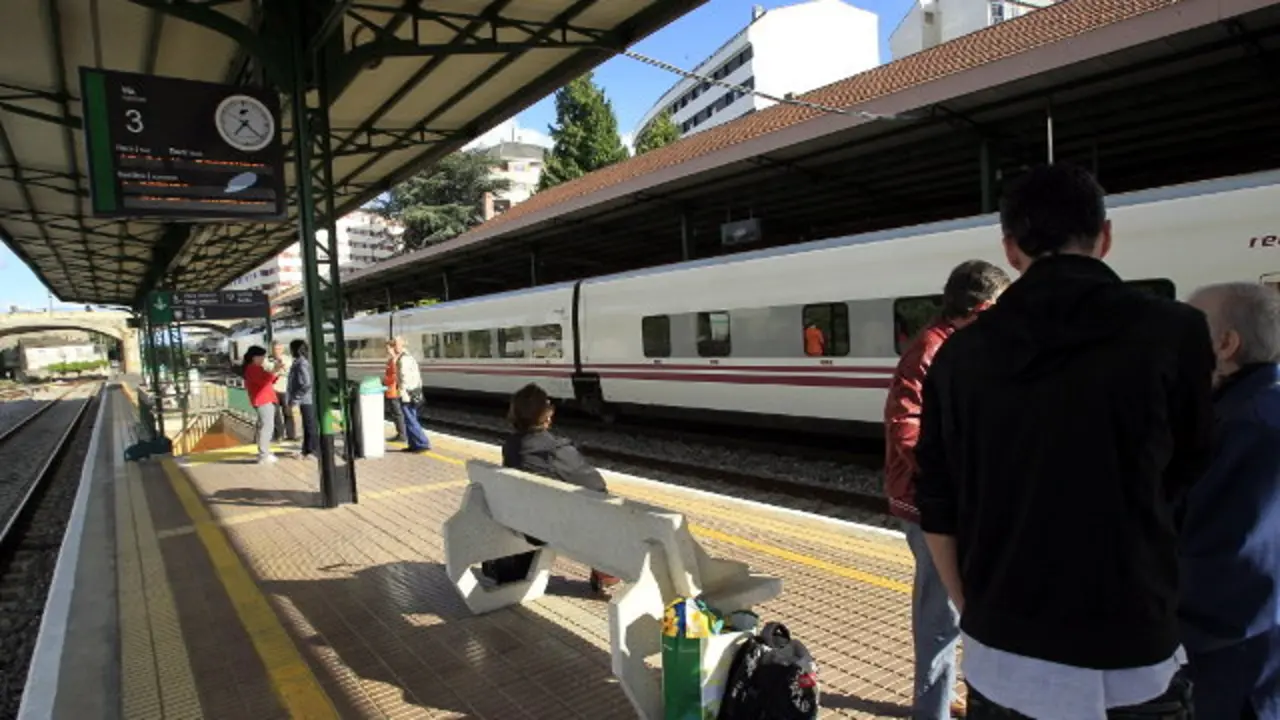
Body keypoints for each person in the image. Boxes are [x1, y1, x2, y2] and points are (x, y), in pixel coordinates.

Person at [914, 163, 1215, 718]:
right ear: (1105, 235)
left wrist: (972, 608)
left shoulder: (957, 356)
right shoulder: (1176, 332)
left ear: (1010, 249)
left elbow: (936, 501)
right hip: (1136, 645)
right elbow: (1193, 473)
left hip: (1002, 653)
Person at [884, 259, 1010, 720]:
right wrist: (956, 478)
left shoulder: (960, 345)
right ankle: (931, 710)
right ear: (982, 307)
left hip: (951, 502)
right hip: (929, 507)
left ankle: (942, 694)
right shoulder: (930, 352)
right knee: (940, 618)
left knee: (956, 609)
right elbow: (905, 427)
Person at [1181, 283, 1280, 719]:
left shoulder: (1245, 429)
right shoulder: (1260, 409)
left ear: (1226, 344)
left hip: (1237, 668)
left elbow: (1220, 561)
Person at [484, 383, 620, 594]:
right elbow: (597, 486)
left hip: (523, 524)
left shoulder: (510, 447)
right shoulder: (556, 451)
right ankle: (607, 572)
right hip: (554, 531)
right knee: (607, 508)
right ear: (547, 416)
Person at [242, 345, 283, 465]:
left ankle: (265, 452)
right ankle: (264, 455)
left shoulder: (256, 368)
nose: (263, 359)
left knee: (266, 426)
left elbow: (268, 380)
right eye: (261, 357)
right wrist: (275, 371)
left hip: (265, 399)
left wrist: (276, 372)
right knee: (267, 427)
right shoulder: (252, 368)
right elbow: (264, 381)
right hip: (263, 399)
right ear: (254, 357)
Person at [390, 336, 430, 452]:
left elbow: (404, 378)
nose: (393, 348)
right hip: (411, 392)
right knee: (409, 419)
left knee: (410, 420)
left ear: (401, 346)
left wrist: (401, 392)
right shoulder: (407, 357)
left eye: (395, 345)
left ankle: (422, 443)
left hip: (407, 394)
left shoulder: (404, 359)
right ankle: (413, 444)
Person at [287, 339, 318, 459]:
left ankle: (311, 451)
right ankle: (306, 450)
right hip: (306, 399)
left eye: (291, 349)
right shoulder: (301, 362)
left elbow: (306, 383)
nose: (290, 351)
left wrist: (296, 398)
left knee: (309, 425)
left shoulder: (302, 363)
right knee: (307, 425)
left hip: (306, 399)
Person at [269, 343, 295, 443]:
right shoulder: (269, 360)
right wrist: (278, 370)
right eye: (275, 349)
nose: (277, 351)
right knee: (275, 414)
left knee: (288, 412)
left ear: (283, 349)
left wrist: (278, 371)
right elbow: (268, 372)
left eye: (279, 349)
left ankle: (291, 435)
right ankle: (279, 435)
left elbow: (289, 372)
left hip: (285, 389)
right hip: (273, 390)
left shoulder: (288, 359)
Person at [383, 340, 405, 442]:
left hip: (394, 390)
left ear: (393, 348)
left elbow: (396, 375)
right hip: (390, 389)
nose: (387, 350)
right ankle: (400, 433)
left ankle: (402, 435)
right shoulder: (391, 360)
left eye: (388, 348)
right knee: (395, 413)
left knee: (397, 413)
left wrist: (386, 382)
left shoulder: (395, 360)